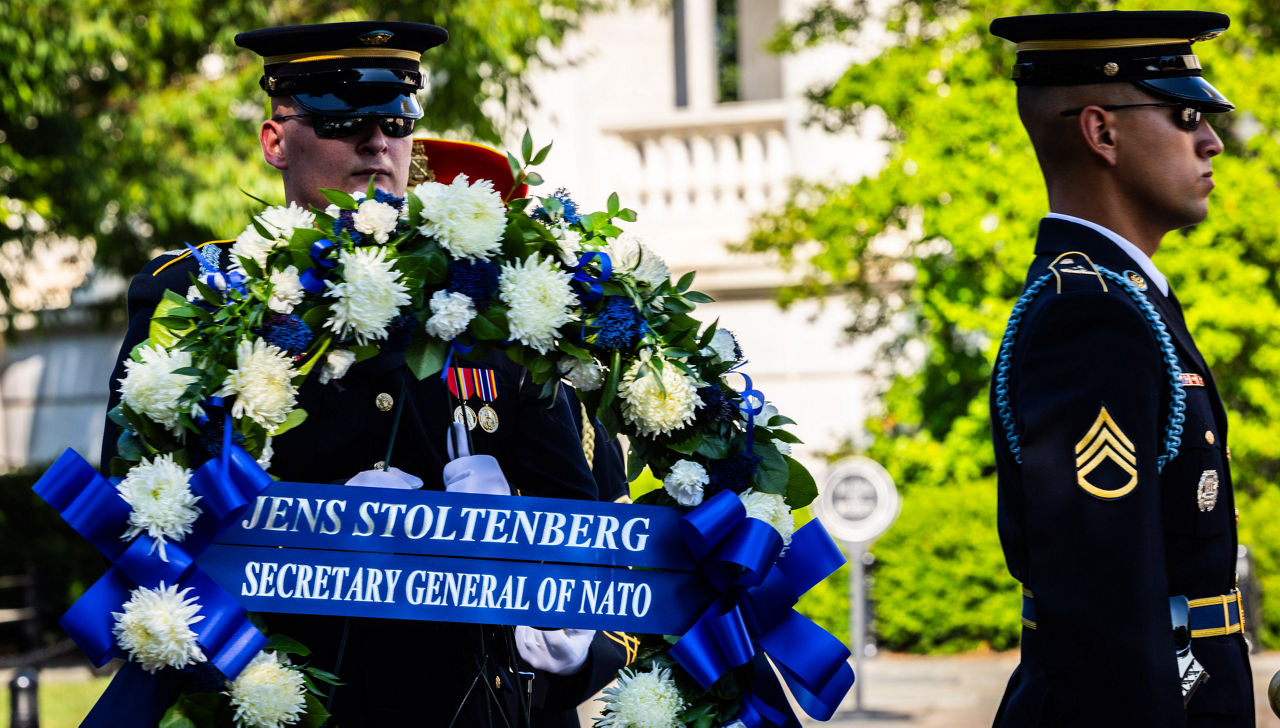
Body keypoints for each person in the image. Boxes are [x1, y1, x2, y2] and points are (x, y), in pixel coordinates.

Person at [99, 21, 605, 727]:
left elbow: (592, 513)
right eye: (343, 121)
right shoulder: (199, 297)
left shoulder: (497, 295)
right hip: (294, 699)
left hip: (473, 700)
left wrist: (557, 592)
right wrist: (311, 532)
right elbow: (139, 518)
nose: (376, 142)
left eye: (396, 120)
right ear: (276, 140)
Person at [988, 10, 1251, 727]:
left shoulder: (1129, 305)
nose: (1213, 141)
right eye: (1184, 113)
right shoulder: (1090, 320)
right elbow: (1102, 619)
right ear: (1101, 132)